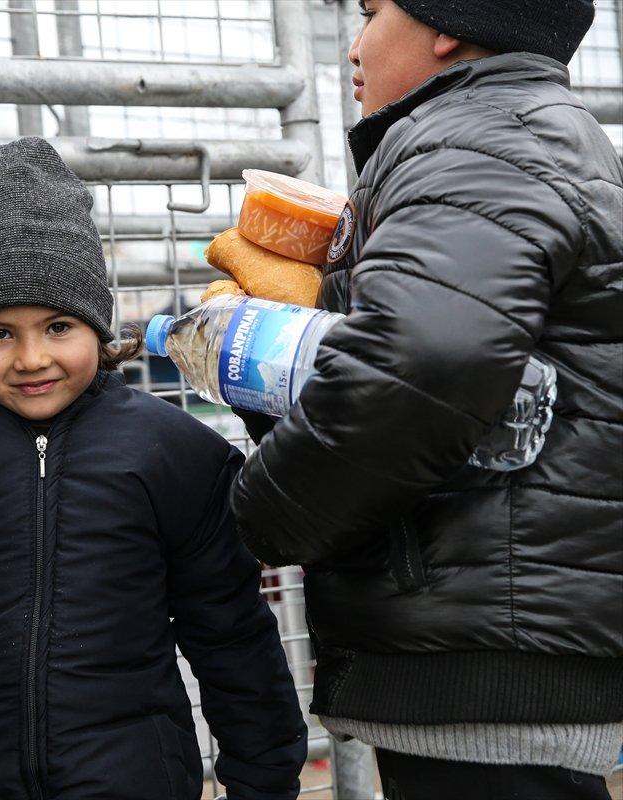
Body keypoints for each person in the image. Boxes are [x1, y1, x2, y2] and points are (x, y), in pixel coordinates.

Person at [0, 138, 307, 800]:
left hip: (129, 776)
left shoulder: (172, 453)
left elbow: (230, 632)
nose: (31, 357)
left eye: (58, 326)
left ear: (98, 328)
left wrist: (263, 780)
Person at [229, 1, 623, 797]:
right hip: (507, 635)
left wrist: (260, 515)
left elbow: (422, 366)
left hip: (488, 654)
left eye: (371, 12)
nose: (353, 46)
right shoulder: (523, 132)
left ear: (446, 27)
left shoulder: (471, 140)